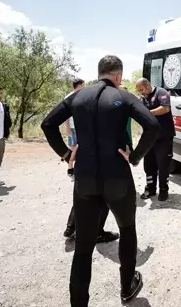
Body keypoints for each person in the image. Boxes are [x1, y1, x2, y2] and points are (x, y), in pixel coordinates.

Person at [41, 55, 160, 306]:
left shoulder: (77, 96)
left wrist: (66, 153)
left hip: (84, 177)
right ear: (118, 76)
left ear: (99, 73)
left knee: (84, 244)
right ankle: (127, 287)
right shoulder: (123, 96)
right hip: (116, 175)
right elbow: (152, 125)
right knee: (127, 229)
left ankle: (78, 302)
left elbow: (47, 124)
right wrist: (135, 156)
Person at [62, 78, 119, 244]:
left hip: (86, 158)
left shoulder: (81, 100)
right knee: (103, 197)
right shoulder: (91, 100)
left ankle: (71, 227)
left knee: (83, 194)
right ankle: (96, 232)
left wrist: (70, 160)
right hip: (101, 158)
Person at [135, 78, 176, 201]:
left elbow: (165, 108)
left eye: (142, 89)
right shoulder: (142, 98)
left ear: (147, 84)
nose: (141, 92)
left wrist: (148, 113)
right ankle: (150, 189)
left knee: (163, 165)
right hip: (150, 138)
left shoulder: (161, 92)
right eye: (139, 91)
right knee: (149, 164)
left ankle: (164, 190)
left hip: (164, 136)